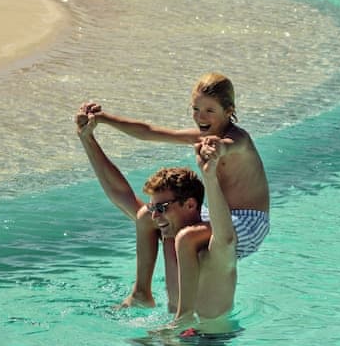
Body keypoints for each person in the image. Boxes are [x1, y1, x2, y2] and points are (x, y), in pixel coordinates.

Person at [79, 72, 268, 319]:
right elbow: (149, 131)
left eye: (209, 110)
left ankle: (183, 315)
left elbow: (229, 146)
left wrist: (217, 149)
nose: (200, 117)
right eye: (196, 109)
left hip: (248, 222)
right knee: (146, 215)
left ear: (229, 110)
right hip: (216, 214)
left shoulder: (239, 139)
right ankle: (141, 292)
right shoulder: (200, 137)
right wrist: (103, 119)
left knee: (186, 238)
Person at [75, 108, 238, 331]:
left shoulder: (210, 250)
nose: (155, 215)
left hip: (210, 340)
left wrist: (209, 176)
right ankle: (140, 294)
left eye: (161, 208)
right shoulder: (167, 232)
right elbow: (121, 194)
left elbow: (227, 238)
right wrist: (87, 139)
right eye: (154, 208)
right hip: (175, 331)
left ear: (190, 205)